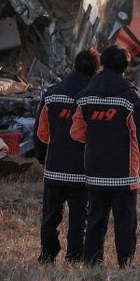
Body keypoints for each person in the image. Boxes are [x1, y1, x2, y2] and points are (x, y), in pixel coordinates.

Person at [70, 45, 140, 268]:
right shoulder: (131, 97)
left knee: (95, 221)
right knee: (125, 223)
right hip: (125, 176)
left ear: (102, 65)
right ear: (126, 66)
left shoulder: (84, 98)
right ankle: (125, 264)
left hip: (95, 171)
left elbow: (76, 133)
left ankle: (92, 264)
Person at [34, 47, 98, 264]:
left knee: (50, 216)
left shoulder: (51, 95)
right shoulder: (95, 98)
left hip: (55, 168)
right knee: (80, 216)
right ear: (97, 72)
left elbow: (40, 134)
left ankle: (47, 255)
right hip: (84, 170)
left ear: (73, 67)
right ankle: (75, 256)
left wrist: (42, 158)